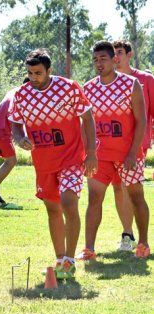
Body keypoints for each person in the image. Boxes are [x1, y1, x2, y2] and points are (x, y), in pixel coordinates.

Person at [8, 49, 97, 279]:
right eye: (30, 73)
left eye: (38, 73)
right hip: (44, 162)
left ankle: (69, 261)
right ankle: (59, 259)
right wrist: (20, 138)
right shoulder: (22, 94)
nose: (33, 77)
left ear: (49, 70)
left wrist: (91, 153)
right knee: (53, 209)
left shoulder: (68, 88)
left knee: (69, 203)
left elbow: (87, 118)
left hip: (71, 158)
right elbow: (15, 124)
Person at [79, 41, 149, 260]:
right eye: (95, 60)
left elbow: (141, 121)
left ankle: (143, 244)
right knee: (94, 198)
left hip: (128, 155)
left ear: (114, 59)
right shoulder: (88, 88)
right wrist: (87, 154)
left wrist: (133, 153)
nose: (99, 63)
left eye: (103, 59)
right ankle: (89, 249)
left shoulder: (131, 84)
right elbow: (84, 123)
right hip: (100, 156)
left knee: (136, 197)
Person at [111, 39, 154, 252]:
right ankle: (127, 234)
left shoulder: (146, 79)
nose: (116, 57)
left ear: (130, 54)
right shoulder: (107, 81)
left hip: (137, 144)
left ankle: (141, 239)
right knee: (118, 187)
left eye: (119, 52)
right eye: (113, 53)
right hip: (111, 145)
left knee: (132, 188)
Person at [0, 78, 29, 205]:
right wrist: (23, 137)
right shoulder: (20, 97)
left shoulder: (14, 91)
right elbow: (16, 120)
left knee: (10, 160)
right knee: (11, 160)